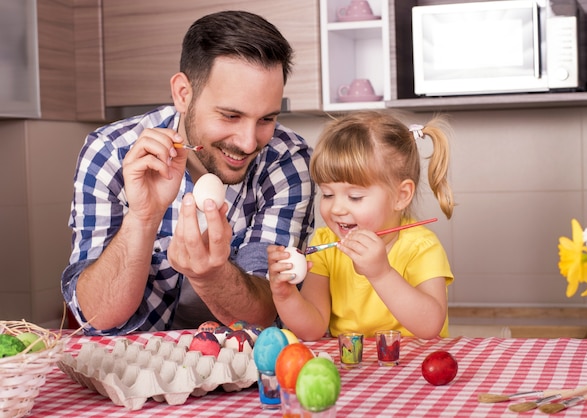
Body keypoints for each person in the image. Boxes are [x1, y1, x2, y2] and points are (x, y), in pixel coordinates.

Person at [61, 11, 315, 336]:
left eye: (266, 119)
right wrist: (143, 217)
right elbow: (97, 315)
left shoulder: (285, 160)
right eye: (231, 115)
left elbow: (267, 310)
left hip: (243, 368)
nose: (249, 142)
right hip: (131, 366)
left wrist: (211, 275)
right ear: (183, 93)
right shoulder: (111, 153)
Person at [268, 110, 454, 341]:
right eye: (327, 194)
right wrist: (286, 296)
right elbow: (313, 329)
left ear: (400, 196)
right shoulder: (325, 244)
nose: (336, 209)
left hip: (415, 368)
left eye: (355, 197)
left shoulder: (421, 247)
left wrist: (381, 273)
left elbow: (429, 326)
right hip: (354, 370)